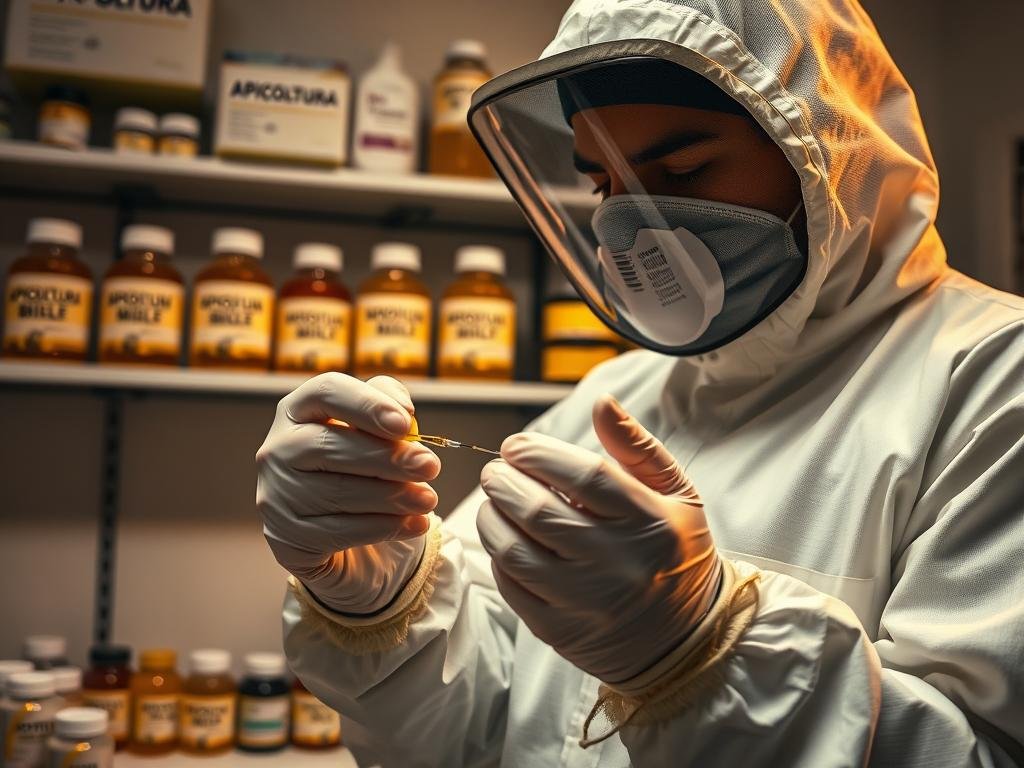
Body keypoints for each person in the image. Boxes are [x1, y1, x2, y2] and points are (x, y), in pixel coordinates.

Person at [257, 0, 1024, 765]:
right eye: (602, 186)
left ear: (828, 151)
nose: (632, 224)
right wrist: (383, 594)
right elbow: (462, 740)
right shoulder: (613, 396)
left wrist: (706, 652)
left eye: (684, 170)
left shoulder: (992, 378)